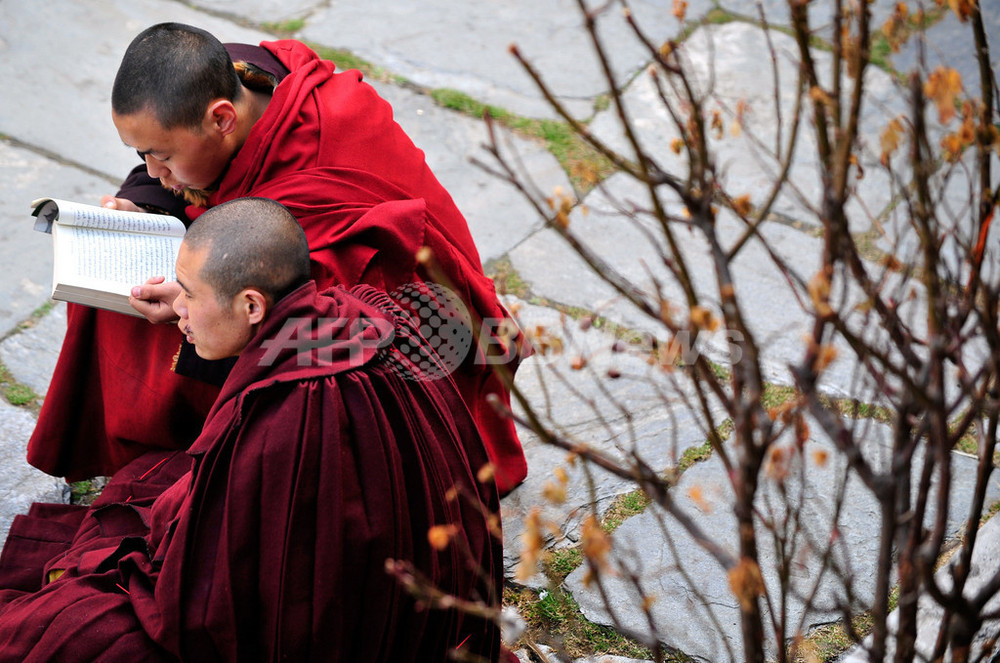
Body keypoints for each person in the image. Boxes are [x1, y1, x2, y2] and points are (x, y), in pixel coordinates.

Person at [29, 22, 528, 495]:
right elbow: (176, 173)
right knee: (110, 301)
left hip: (389, 337)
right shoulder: (241, 77)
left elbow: (349, 297)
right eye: (141, 154)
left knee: (163, 327)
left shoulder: (331, 138)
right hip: (250, 258)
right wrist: (142, 205)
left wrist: (200, 298)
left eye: (161, 154)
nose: (152, 168)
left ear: (223, 118)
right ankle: (142, 454)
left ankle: (220, 460)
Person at [0, 198, 506, 661]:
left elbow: (218, 609)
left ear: (251, 306)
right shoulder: (359, 313)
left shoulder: (288, 420)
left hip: (358, 620)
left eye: (190, 295)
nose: (178, 309)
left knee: (77, 631)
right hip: (433, 594)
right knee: (150, 482)